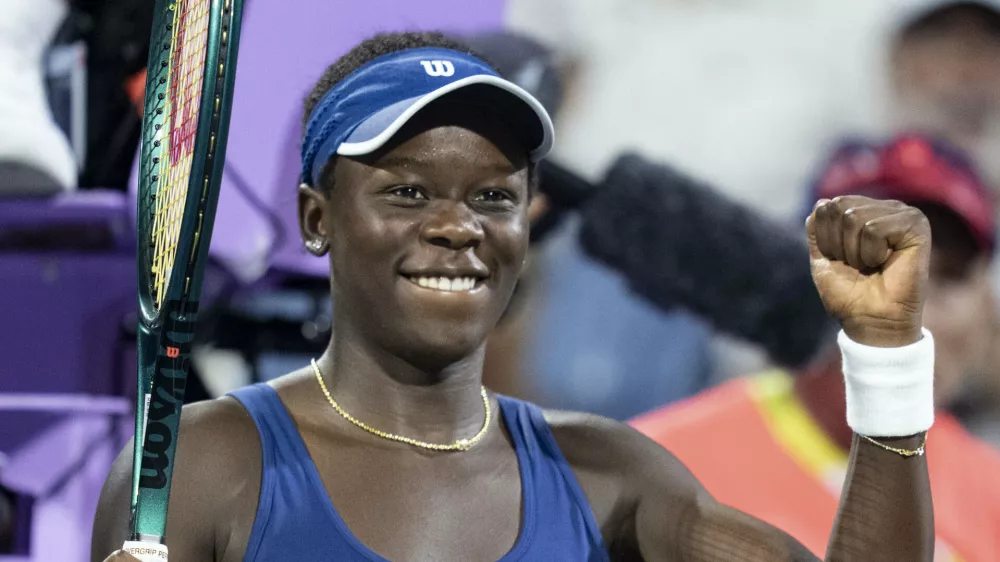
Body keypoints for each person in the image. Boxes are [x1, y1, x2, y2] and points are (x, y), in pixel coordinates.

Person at [94, 32, 936, 562]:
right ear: (318, 219)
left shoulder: (612, 473)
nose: (460, 227)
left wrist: (887, 358)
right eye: (408, 194)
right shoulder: (201, 468)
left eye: (493, 197)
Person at [634, 134, 1000, 561]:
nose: (909, 312)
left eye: (948, 277)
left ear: (985, 305)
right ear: (801, 277)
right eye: (872, 268)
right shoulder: (662, 466)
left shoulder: (991, 491)